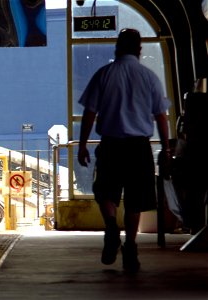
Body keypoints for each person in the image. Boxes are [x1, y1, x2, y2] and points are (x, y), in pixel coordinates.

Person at [77, 28, 171, 272]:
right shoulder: (149, 77)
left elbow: (89, 113)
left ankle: (110, 226)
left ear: (117, 47)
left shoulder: (104, 74)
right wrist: (167, 146)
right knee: (135, 200)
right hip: (139, 147)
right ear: (139, 50)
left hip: (110, 145)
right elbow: (160, 116)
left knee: (105, 192)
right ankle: (130, 248)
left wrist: (83, 145)